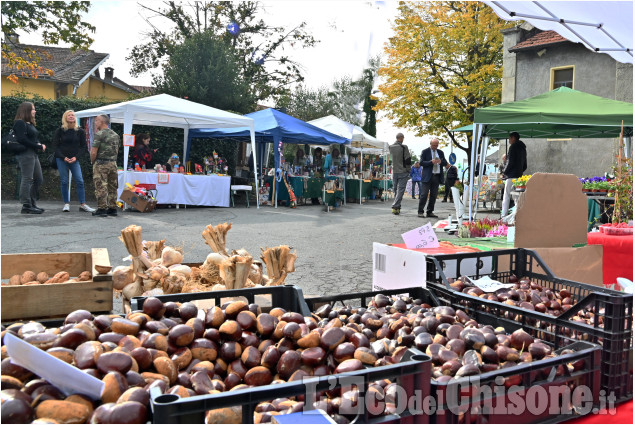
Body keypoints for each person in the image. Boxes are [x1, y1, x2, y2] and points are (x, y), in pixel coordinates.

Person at [52, 110, 96, 213]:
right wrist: (63, 157)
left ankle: (83, 204)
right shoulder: (60, 130)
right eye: (69, 115)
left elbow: (83, 147)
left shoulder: (80, 131)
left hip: (74, 159)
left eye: (73, 115)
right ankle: (66, 203)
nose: (71, 117)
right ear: (65, 118)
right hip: (62, 159)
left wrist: (76, 157)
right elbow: (55, 146)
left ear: (75, 118)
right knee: (64, 181)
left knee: (80, 181)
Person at [13, 102, 46, 214]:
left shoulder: (29, 123)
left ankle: (32, 203)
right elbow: (22, 139)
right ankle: (26, 205)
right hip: (25, 154)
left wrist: (39, 144)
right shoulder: (20, 123)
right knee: (27, 179)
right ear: (26, 110)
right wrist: (37, 145)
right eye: (33, 109)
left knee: (38, 178)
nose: (35, 111)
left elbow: (33, 139)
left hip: (33, 154)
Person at [90, 114, 120, 217]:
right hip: (113, 163)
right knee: (113, 186)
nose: (95, 122)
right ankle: (112, 208)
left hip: (101, 163)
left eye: (96, 120)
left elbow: (94, 152)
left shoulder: (99, 134)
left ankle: (102, 208)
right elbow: (117, 150)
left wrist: (92, 162)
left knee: (101, 186)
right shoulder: (116, 135)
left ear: (102, 122)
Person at [418, 138, 449, 218]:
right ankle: (420, 211)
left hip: (436, 176)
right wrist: (430, 162)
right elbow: (421, 162)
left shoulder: (440, 152)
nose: (435, 147)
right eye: (433, 145)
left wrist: (441, 162)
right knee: (424, 194)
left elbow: (445, 162)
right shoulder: (425, 151)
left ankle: (430, 211)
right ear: (430, 144)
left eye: (436, 145)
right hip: (427, 176)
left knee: (434, 195)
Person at [501, 132, 528, 216]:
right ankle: (518, 215)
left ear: (513, 138)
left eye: (509, 138)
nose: (509, 140)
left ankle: (504, 215)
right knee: (516, 197)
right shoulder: (523, 149)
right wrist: (520, 171)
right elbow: (525, 165)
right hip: (519, 176)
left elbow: (510, 162)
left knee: (507, 195)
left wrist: (504, 172)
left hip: (511, 175)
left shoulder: (513, 147)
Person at [388, 132, 411, 215]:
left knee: (395, 189)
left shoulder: (390, 147)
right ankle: (395, 205)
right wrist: (409, 170)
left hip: (394, 171)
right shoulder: (404, 147)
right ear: (401, 138)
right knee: (400, 189)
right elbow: (408, 159)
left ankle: (397, 207)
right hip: (403, 171)